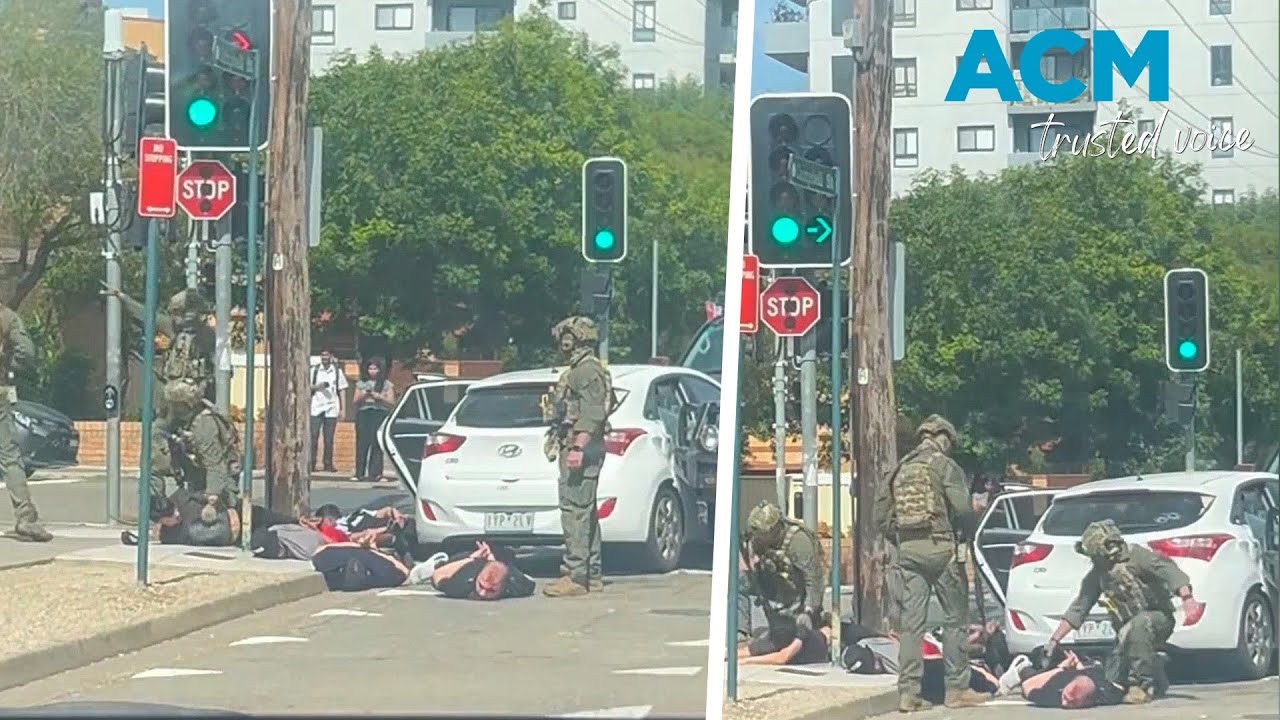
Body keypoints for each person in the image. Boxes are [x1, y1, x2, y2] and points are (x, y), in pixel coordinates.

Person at [874, 414, 989, 712]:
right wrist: (967, 531)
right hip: (941, 547)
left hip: (908, 552)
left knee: (911, 625)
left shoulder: (900, 469)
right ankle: (956, 689)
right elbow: (963, 509)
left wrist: (901, 539)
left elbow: (880, 517)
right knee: (955, 619)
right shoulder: (944, 466)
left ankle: (908, 693)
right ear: (944, 438)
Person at [1042, 518, 1204, 705]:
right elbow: (1080, 607)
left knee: (1139, 626)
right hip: (1126, 632)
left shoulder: (1139, 557)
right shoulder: (1098, 574)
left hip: (1158, 619)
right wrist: (1054, 640)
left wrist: (1187, 599)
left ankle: (1142, 686)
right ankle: (1155, 670)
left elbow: (1169, 571)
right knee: (1112, 682)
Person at [106, 286, 238, 508]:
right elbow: (148, 316)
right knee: (153, 449)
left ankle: (219, 501)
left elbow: (223, 371)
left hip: (198, 409)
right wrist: (123, 298)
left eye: (182, 312)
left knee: (211, 456)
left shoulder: (209, 338)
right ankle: (154, 504)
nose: (177, 318)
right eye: (175, 313)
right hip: (171, 408)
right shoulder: (174, 331)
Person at [540, 316, 613, 597]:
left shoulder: (585, 371)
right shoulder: (585, 369)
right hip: (581, 445)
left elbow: (594, 412)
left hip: (581, 446)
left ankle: (576, 575)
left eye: (564, 338)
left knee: (574, 511)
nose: (561, 344)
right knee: (586, 510)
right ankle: (591, 574)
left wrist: (577, 448)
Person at [736, 501, 827, 659]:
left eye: (763, 533)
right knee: (739, 581)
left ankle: (809, 626)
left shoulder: (798, 542)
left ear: (775, 529)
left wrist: (809, 610)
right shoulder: (758, 539)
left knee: (795, 632)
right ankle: (741, 633)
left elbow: (814, 580)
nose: (759, 538)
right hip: (772, 584)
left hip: (795, 591)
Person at [0, 304, 50, 541]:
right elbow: (26, 351)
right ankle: (25, 518)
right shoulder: (6, 317)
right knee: (9, 457)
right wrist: (12, 367)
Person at [1007, 649, 1126, 708]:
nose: (1064, 703)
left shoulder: (1107, 693)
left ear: (1088, 702)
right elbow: (1027, 685)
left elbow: (1122, 689)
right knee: (1029, 673)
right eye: (1066, 697)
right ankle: (1022, 664)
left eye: (1072, 702)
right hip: (1059, 669)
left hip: (1081, 668)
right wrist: (1061, 668)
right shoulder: (1056, 688)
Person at [426, 541, 537, 601]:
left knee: (508, 555)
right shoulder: (462, 584)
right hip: (468, 560)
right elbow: (437, 575)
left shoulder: (516, 584)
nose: (482, 593)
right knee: (448, 563)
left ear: (504, 587)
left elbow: (530, 581)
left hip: (500, 560)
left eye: (491, 590)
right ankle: (439, 560)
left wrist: (492, 559)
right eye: (481, 586)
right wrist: (471, 559)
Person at [352, 357, 395, 482]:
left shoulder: (386, 384)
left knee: (377, 443)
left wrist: (379, 396)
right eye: (370, 368)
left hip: (379, 413)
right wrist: (365, 394)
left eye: (375, 368)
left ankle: (376, 473)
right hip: (364, 413)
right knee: (362, 443)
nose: (372, 371)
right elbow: (355, 401)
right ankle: (359, 473)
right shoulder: (361, 383)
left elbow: (391, 402)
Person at [309, 349, 348, 474]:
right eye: (322, 355)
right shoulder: (314, 370)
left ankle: (328, 464)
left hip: (331, 407)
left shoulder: (337, 372)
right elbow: (307, 386)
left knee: (329, 438)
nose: (324, 357)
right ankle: (312, 463)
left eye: (327, 355)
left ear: (331, 356)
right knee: (313, 436)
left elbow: (342, 390)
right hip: (316, 406)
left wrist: (343, 409)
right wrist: (317, 387)